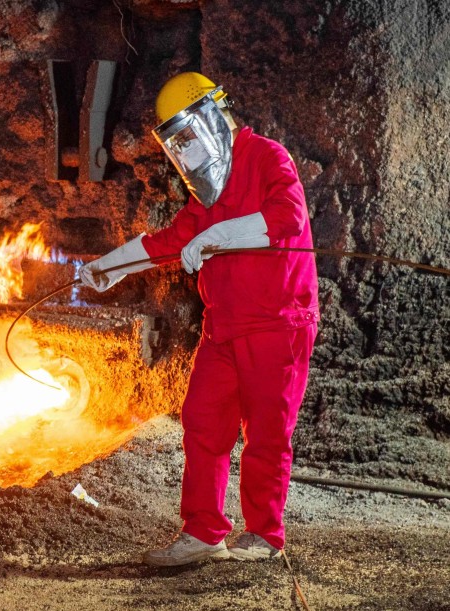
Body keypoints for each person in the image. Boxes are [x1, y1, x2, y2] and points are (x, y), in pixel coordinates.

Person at [79, 72, 319, 566]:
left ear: (213, 116)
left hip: (278, 322)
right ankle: (204, 532)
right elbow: (168, 241)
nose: (185, 150)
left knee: (267, 434)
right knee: (204, 423)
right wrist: (108, 268)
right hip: (224, 327)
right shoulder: (205, 196)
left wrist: (214, 238)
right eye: (177, 142)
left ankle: (264, 534)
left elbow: (286, 219)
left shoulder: (267, 157)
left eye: (188, 135)